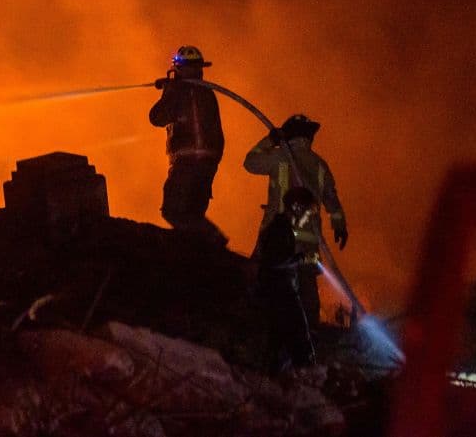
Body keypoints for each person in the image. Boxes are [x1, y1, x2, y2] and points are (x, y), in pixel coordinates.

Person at [244, 113, 348, 326]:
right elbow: (331, 198)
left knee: (261, 277)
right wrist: (339, 225)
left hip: (278, 235)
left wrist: (270, 140)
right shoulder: (320, 165)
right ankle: (311, 334)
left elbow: (250, 162)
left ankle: (256, 325)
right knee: (307, 285)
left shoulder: (280, 156)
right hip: (309, 239)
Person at [149, 46, 226, 244]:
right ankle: (204, 252)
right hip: (208, 164)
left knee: (172, 210)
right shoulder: (206, 92)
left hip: (187, 163)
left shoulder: (181, 91)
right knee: (193, 213)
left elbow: (157, 118)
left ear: (178, 68)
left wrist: (168, 91)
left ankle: (214, 239)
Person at [256, 186, 319, 373]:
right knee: (299, 341)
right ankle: (306, 381)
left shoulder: (280, 229)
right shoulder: (279, 230)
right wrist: (302, 259)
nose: (308, 218)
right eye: (308, 212)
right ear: (298, 208)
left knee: (277, 344)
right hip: (282, 295)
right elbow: (274, 262)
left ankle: (272, 381)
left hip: (278, 293)